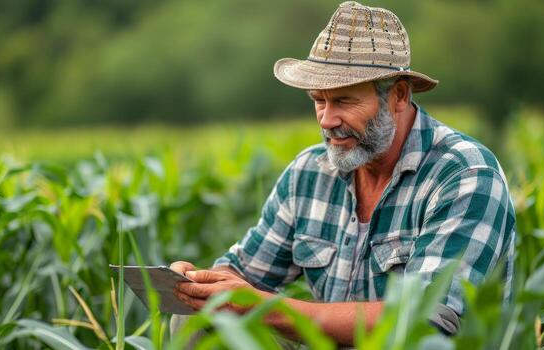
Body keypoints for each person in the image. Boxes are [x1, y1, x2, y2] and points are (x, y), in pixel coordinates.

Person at [170, 1, 516, 346]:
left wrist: (264, 308)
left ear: (398, 94)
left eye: (344, 101)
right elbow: (244, 271)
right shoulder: (309, 172)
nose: (326, 119)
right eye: (319, 100)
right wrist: (203, 283)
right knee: (198, 319)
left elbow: (426, 320)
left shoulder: (464, 175)